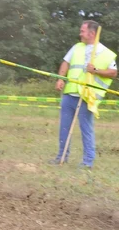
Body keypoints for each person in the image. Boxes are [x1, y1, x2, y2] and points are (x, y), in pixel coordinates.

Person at [50, 20, 117, 169]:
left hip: (87, 96)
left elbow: (113, 72)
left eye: (82, 31)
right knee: (64, 128)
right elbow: (66, 63)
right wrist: (61, 78)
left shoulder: (104, 53)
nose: (80, 33)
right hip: (70, 94)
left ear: (92, 33)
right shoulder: (76, 47)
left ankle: (88, 162)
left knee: (86, 129)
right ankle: (61, 157)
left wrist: (96, 70)